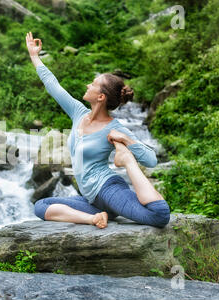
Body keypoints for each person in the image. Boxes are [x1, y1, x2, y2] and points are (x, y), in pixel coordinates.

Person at [26, 31, 171, 229]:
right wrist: (35, 56)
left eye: (93, 84)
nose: (88, 85)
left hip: (108, 189)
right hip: (92, 201)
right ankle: (94, 218)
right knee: (41, 206)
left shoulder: (115, 128)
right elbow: (54, 86)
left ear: (101, 97)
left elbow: (152, 160)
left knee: (159, 215)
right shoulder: (78, 113)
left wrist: (128, 144)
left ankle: (126, 162)